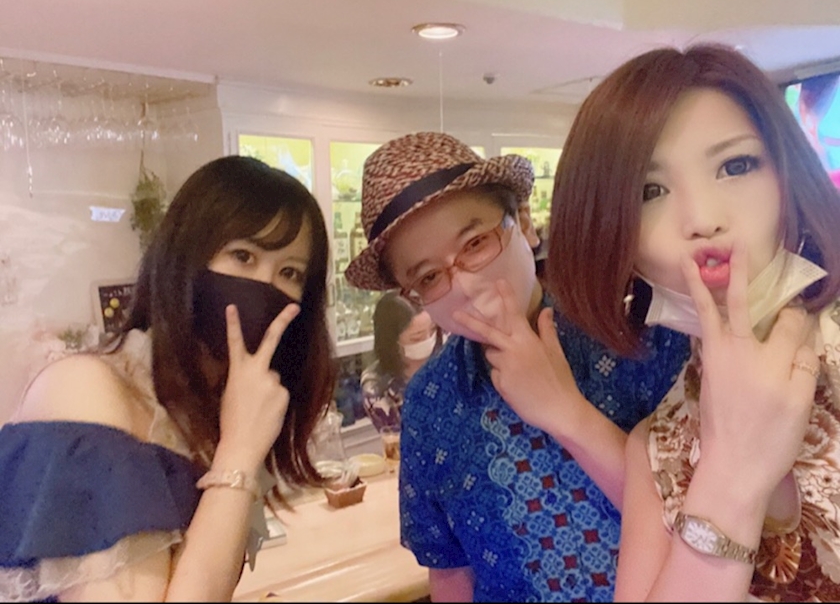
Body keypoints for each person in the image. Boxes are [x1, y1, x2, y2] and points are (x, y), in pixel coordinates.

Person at [543, 44, 840, 601]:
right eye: (649, 191)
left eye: (736, 166)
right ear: (617, 239)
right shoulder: (658, 449)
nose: (702, 220)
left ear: (789, 179)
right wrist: (730, 477)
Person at [343, 131, 690, 602]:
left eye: (475, 243)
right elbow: (450, 572)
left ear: (523, 223)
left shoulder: (637, 329)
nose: (465, 285)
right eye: (429, 276)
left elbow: (709, 530)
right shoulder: (429, 402)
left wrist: (566, 413)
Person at [0, 156, 336, 602]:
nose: (265, 285)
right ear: (184, 258)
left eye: (289, 272)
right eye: (243, 256)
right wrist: (239, 453)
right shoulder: (86, 391)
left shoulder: (206, 411)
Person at [360, 291, 443, 432]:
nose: (429, 340)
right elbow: (395, 438)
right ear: (392, 341)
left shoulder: (448, 361)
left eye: (433, 330)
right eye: (417, 338)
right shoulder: (376, 386)